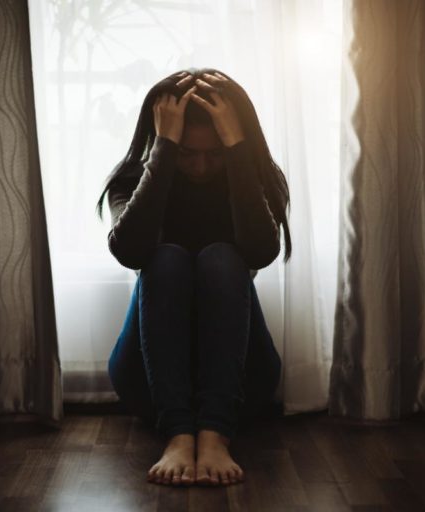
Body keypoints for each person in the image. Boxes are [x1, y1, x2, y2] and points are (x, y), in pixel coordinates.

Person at [96, 68, 292, 487]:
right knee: (164, 259)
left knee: (222, 258)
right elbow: (129, 251)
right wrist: (163, 149)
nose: (201, 167)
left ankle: (216, 433)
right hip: (148, 383)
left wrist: (238, 151)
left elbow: (261, 251)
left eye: (215, 152)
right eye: (187, 152)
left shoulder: (256, 177)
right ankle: (177, 434)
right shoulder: (132, 181)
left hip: (242, 383)